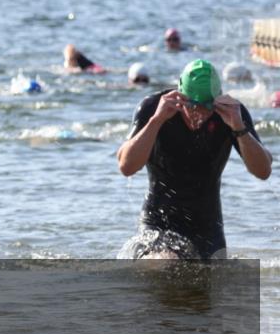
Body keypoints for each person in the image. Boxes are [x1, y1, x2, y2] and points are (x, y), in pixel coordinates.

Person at [116, 59, 272, 260]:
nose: (199, 113)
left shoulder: (231, 114)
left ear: (217, 99)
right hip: (157, 225)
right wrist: (157, 120)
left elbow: (263, 171)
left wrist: (239, 128)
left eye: (207, 106)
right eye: (192, 105)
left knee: (208, 286)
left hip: (208, 229)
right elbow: (126, 166)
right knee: (166, 262)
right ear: (180, 95)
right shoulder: (154, 107)